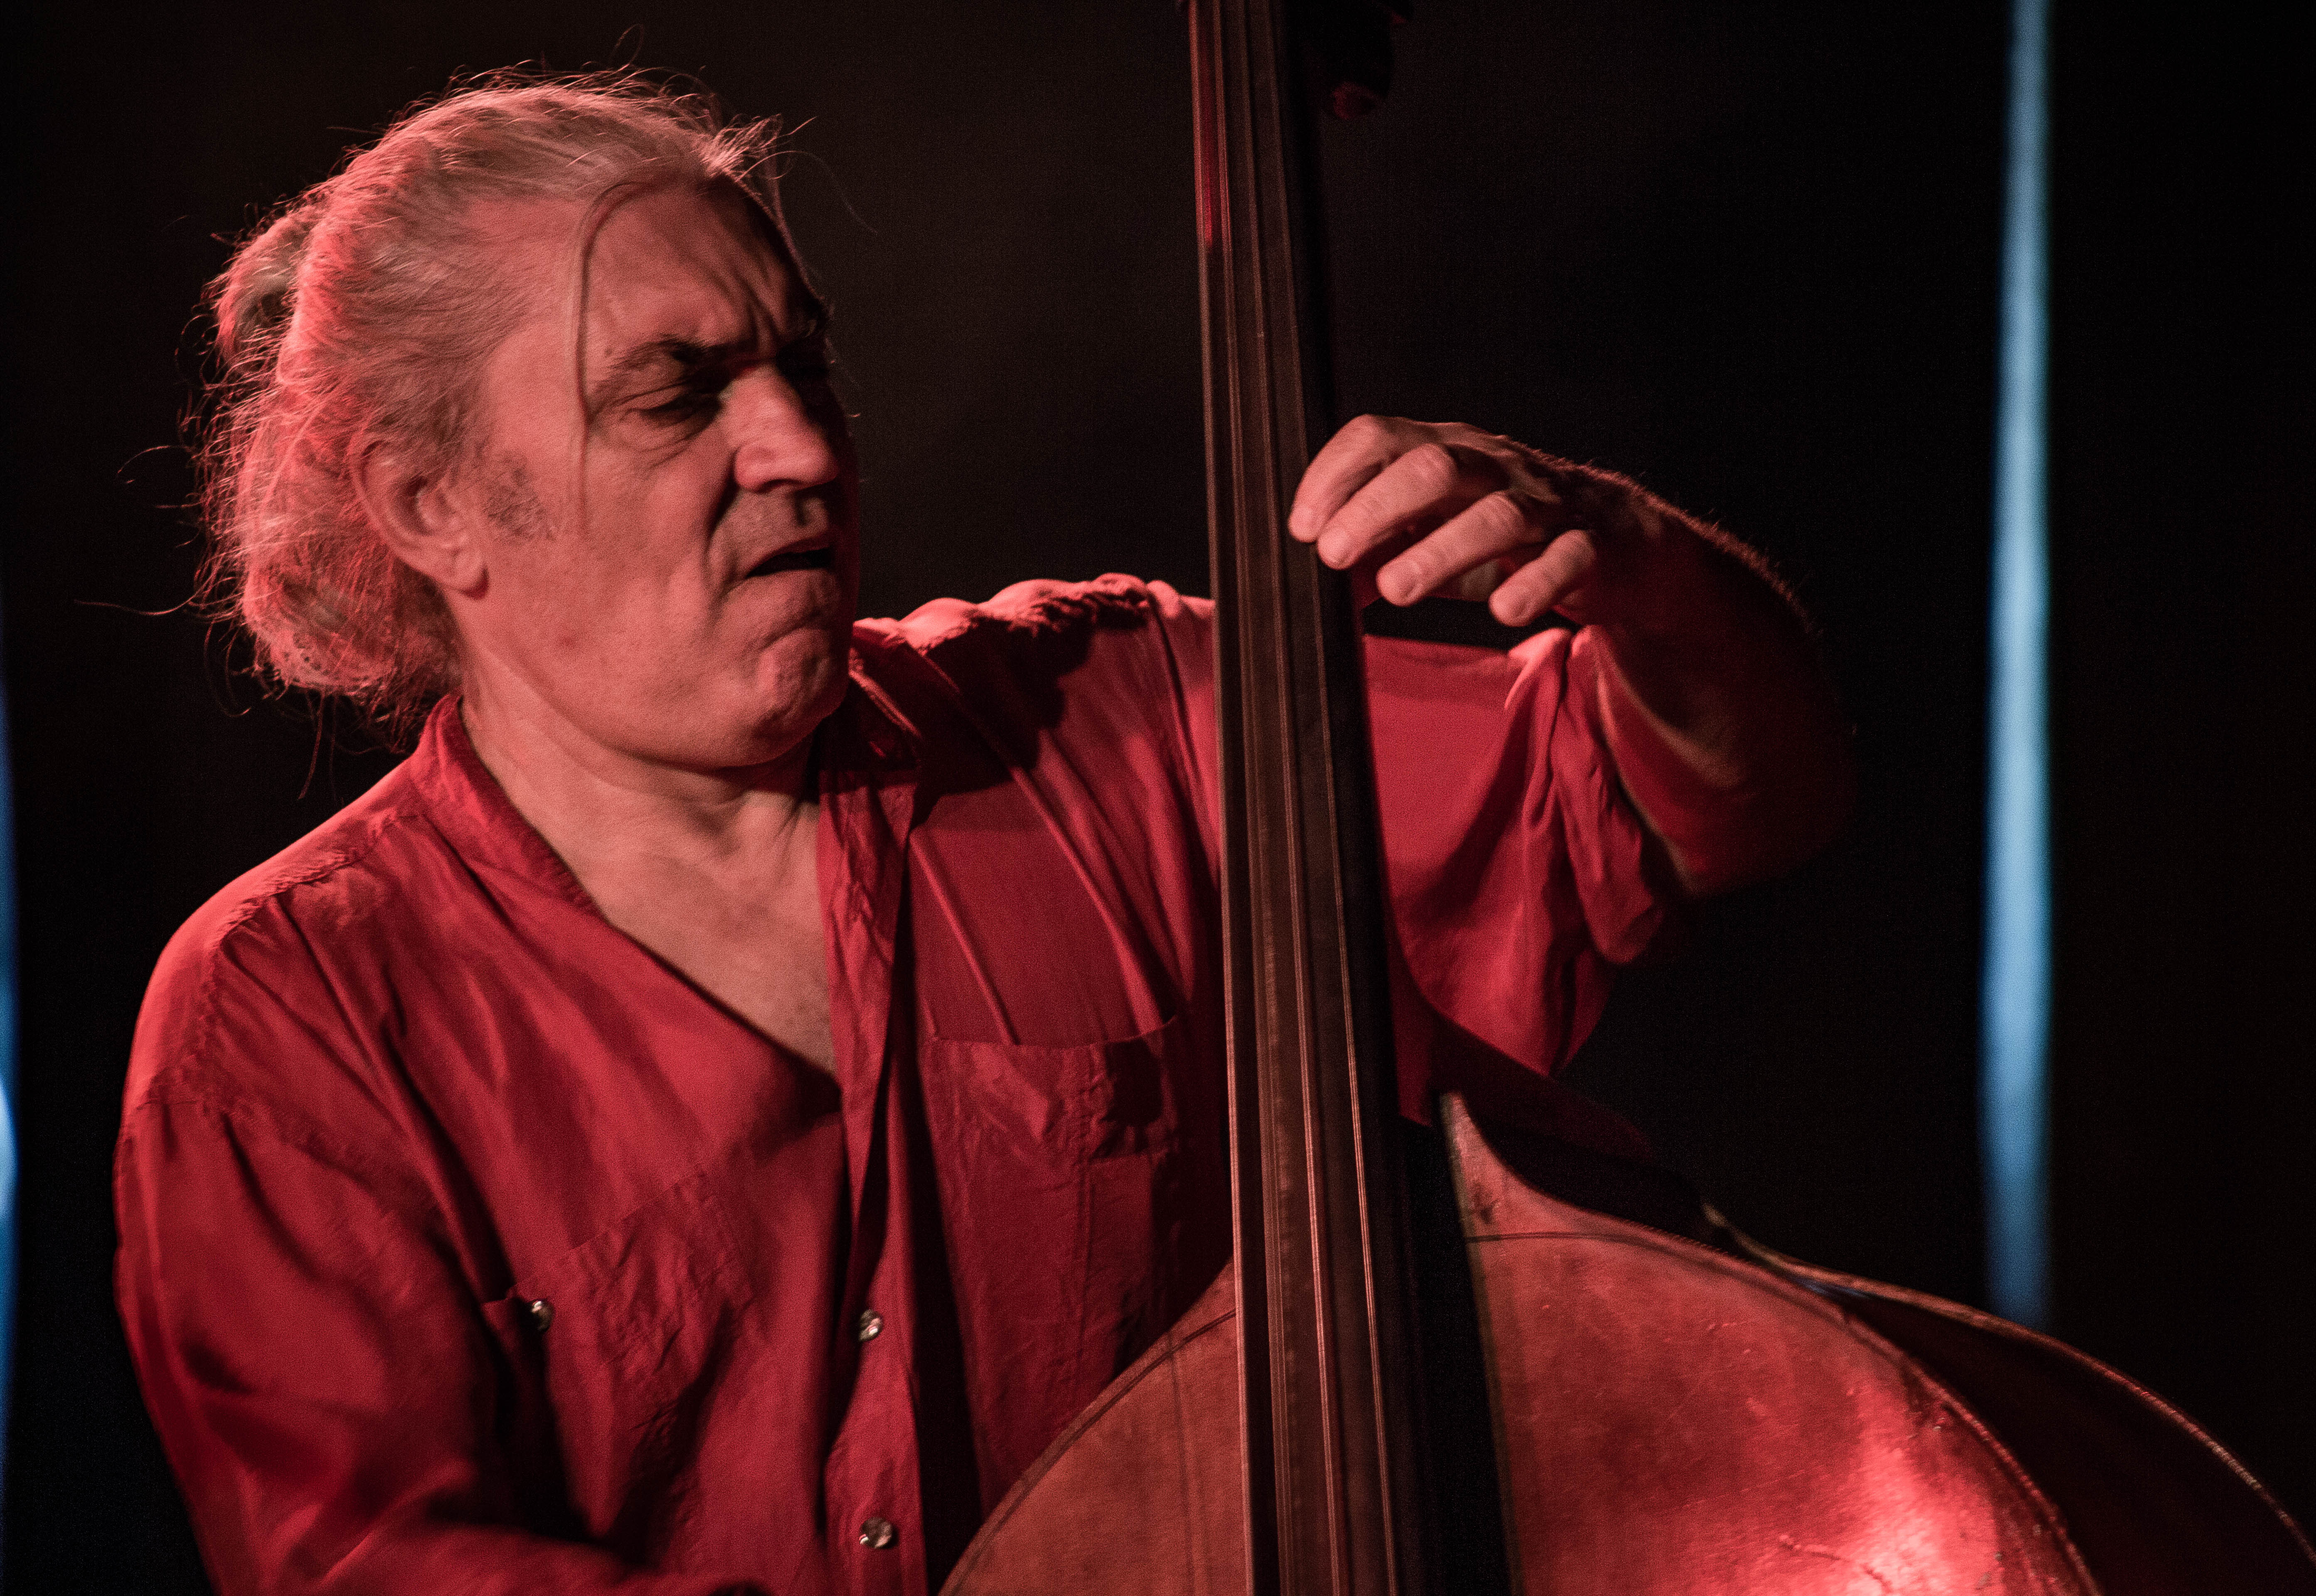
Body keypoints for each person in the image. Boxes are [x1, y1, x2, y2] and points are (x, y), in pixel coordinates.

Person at [116, 74, 1852, 1596]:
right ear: (432, 506)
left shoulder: (1117, 711)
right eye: (678, 394)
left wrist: (1635, 563)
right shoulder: (289, 1017)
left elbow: (1724, 803)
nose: (800, 445)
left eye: (803, 365)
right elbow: (377, 1569)